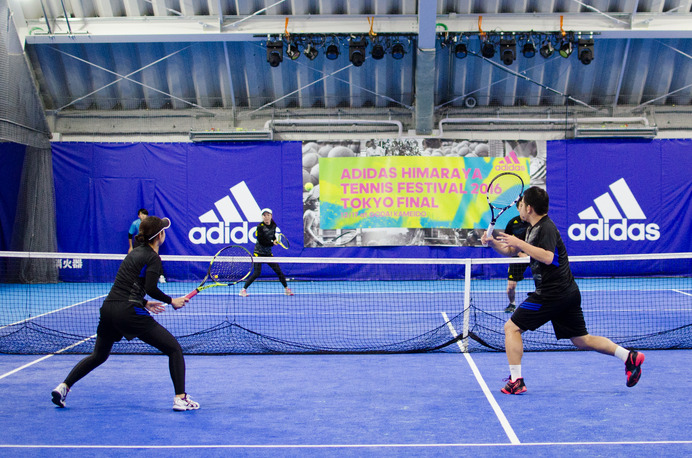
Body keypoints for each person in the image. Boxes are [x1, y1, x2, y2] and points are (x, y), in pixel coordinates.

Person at [481, 187, 645, 395]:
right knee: (581, 340)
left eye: (521, 205)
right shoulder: (531, 228)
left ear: (529, 208)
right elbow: (511, 251)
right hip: (567, 292)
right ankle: (628, 356)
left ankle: (516, 381)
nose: (519, 208)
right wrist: (493, 242)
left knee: (511, 328)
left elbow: (548, 257)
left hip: (552, 292)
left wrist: (519, 242)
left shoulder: (546, 228)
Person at [51, 216, 199, 411]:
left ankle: (64, 387)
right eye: (163, 231)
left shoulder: (134, 253)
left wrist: (145, 303)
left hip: (109, 309)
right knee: (174, 349)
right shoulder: (153, 257)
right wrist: (172, 301)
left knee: (99, 355)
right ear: (159, 236)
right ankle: (180, 398)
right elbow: (151, 287)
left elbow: (127, 284)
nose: (164, 233)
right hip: (128, 312)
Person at [239, 208, 293, 297]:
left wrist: (274, 240)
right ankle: (243, 290)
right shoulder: (259, 227)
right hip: (258, 254)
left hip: (268, 254)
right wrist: (272, 243)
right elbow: (261, 241)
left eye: (268, 215)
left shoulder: (274, 225)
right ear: (262, 217)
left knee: (279, 271)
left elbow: (272, 236)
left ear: (271, 216)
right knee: (256, 273)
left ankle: (286, 289)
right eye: (264, 215)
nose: (266, 217)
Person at [503, 215, 530, 313]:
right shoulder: (512, 222)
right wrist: (519, 253)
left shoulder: (534, 221)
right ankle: (512, 304)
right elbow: (506, 240)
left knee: (544, 281)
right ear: (519, 208)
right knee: (511, 287)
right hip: (517, 257)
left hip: (534, 255)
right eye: (521, 206)